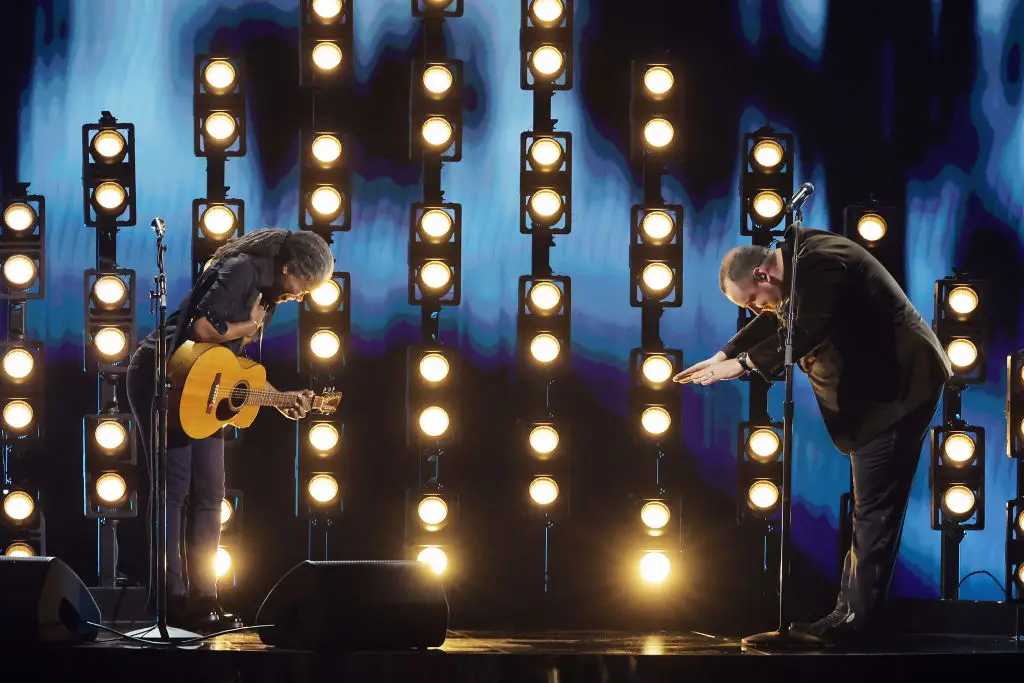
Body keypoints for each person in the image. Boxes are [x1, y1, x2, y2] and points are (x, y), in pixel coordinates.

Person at [673, 223, 951, 645]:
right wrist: (724, 354)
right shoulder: (798, 267)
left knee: (875, 508)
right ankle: (846, 615)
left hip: (900, 390)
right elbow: (779, 320)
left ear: (764, 275)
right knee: (868, 507)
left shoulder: (821, 262)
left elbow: (807, 329)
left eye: (751, 300)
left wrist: (743, 364)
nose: (755, 309)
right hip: (883, 394)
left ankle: (857, 624)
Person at [126, 227, 334, 632]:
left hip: (204, 385)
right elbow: (202, 330)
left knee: (211, 491)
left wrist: (281, 398)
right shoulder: (242, 270)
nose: (301, 297)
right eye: (303, 287)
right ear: (289, 267)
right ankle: (171, 597)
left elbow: (231, 366)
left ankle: (205, 596)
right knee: (174, 487)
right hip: (165, 374)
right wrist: (247, 328)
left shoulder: (268, 294)